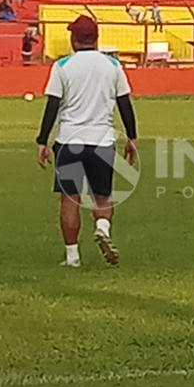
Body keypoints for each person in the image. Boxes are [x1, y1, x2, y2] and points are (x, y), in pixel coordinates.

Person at [35, 15, 139, 268]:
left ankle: (72, 257)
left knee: (70, 198)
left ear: (73, 39)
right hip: (102, 140)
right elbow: (124, 103)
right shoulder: (113, 65)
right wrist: (132, 137)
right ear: (96, 37)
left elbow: (53, 104)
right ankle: (102, 227)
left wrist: (42, 141)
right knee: (102, 196)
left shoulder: (63, 66)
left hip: (70, 141)